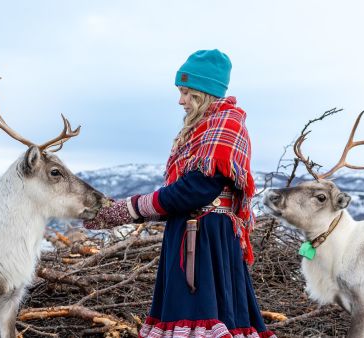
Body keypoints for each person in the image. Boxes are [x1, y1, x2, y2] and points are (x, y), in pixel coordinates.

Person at [84, 49, 276, 338]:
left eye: (186, 92)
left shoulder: (226, 124)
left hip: (205, 240)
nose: (180, 100)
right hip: (189, 235)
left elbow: (196, 189)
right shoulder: (201, 128)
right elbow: (182, 193)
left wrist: (130, 208)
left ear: (204, 92)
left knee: (203, 320)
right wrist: (130, 211)